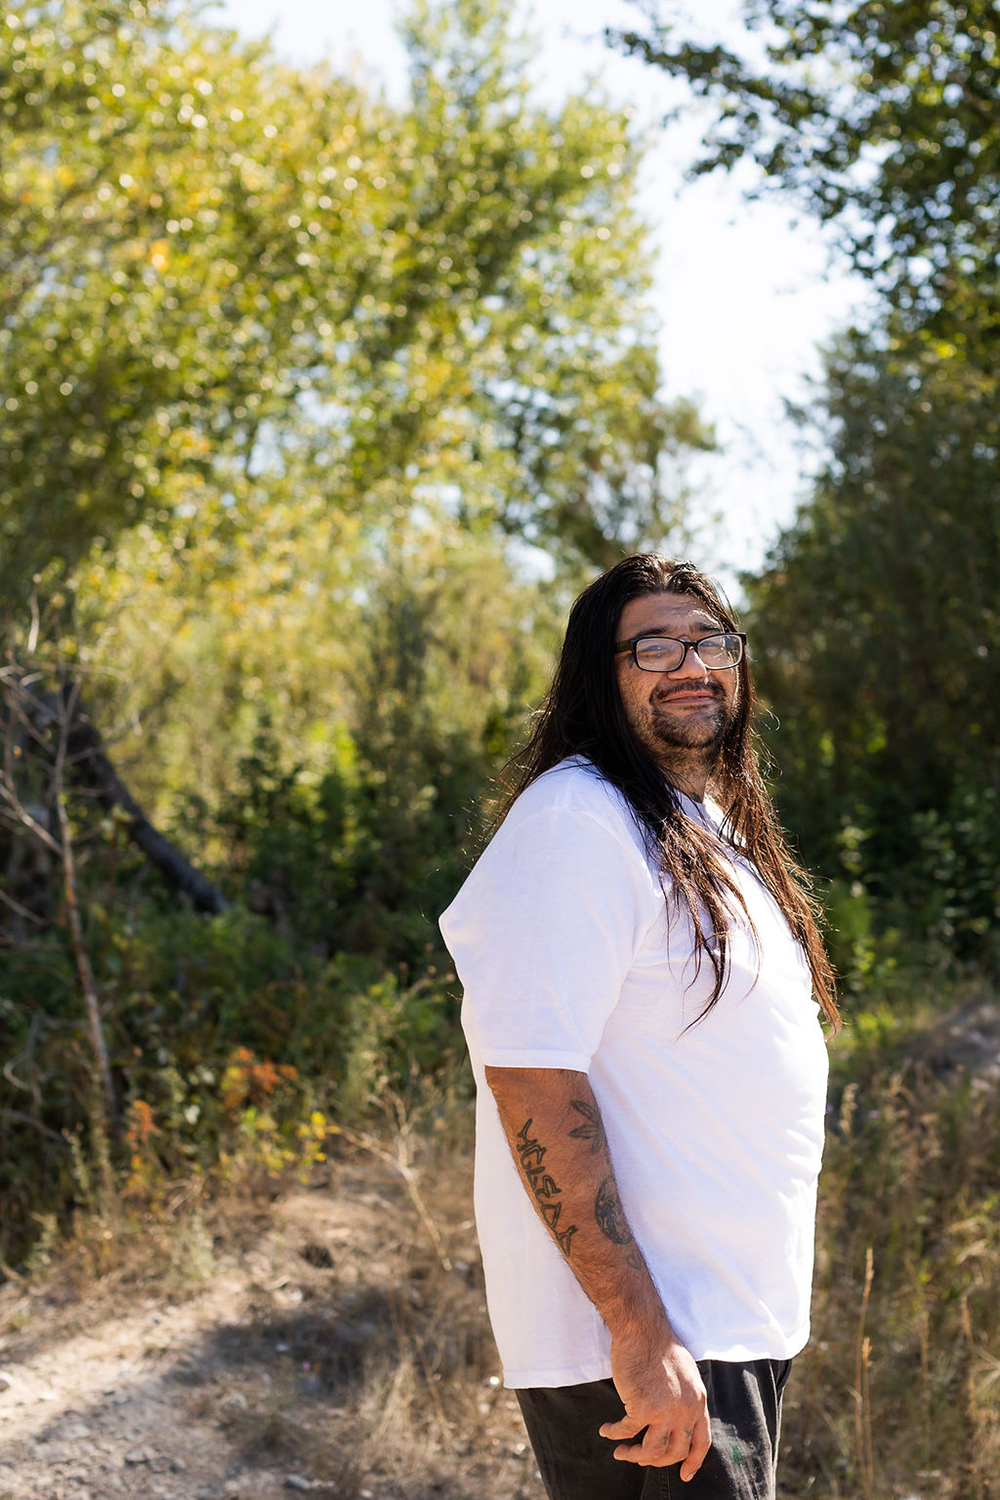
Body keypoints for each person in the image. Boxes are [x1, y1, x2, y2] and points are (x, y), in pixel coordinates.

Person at [439, 554, 839, 1500]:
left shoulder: (699, 825)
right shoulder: (577, 820)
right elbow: (532, 1077)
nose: (690, 663)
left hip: (727, 1321)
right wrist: (640, 1331)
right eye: (653, 645)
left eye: (710, 641)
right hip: (650, 1340)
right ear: (598, 675)